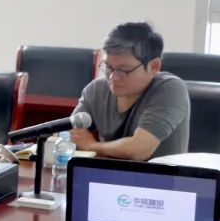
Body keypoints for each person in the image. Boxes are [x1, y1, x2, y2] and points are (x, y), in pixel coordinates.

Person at [71, 22, 189, 160]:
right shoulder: (96, 90)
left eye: (124, 70)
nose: (113, 77)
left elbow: (139, 150)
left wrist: (90, 146)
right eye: (108, 67)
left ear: (154, 66)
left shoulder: (170, 89)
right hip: (105, 173)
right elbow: (71, 134)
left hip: (156, 173)